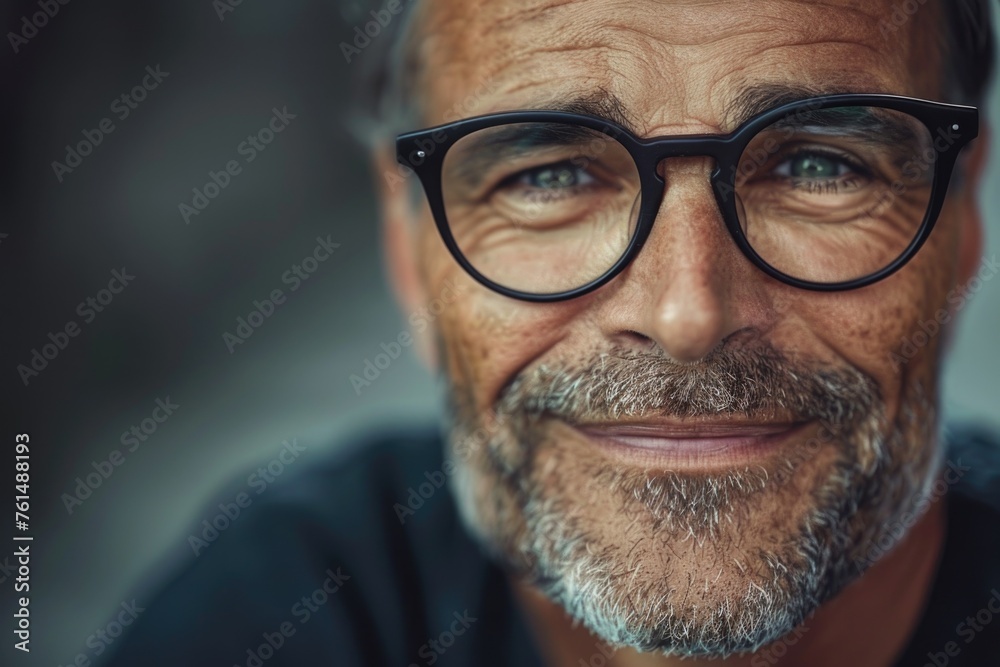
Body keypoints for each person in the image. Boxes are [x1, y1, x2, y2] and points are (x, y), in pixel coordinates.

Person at [102, 0, 1000, 665]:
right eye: (550, 176)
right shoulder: (288, 608)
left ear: (964, 224)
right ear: (409, 250)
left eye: (818, 166)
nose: (687, 315)